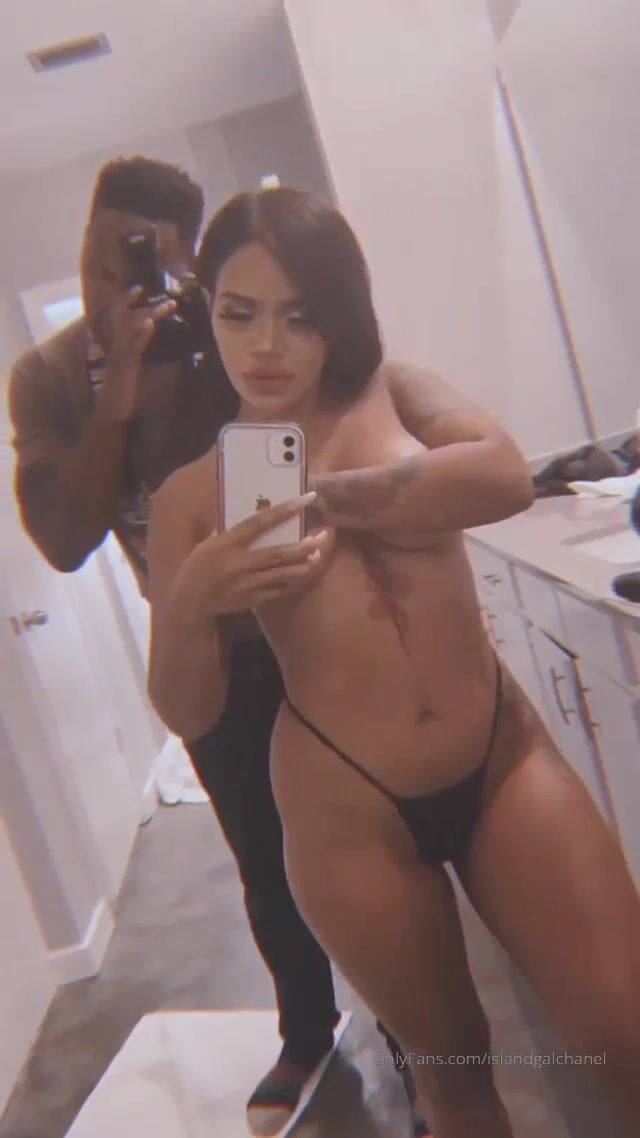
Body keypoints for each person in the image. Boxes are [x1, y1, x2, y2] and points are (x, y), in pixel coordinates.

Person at [147, 185, 640, 1138]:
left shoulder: (398, 391)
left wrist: (348, 493)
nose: (267, 345)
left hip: (498, 755)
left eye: (299, 316)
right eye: (240, 313)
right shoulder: (192, 496)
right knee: (454, 1076)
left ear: (338, 314)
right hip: (346, 807)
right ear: (209, 312)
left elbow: (503, 476)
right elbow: (189, 710)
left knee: (626, 1031)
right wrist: (194, 599)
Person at [7, 158, 429, 1137]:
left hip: (310, 623)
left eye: (151, 265)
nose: (119, 286)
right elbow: (63, 538)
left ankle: (415, 1027)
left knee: (367, 839)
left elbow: (316, 432)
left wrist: (210, 334)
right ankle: (306, 1028)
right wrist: (117, 398)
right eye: (102, 262)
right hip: (208, 651)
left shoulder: (229, 336)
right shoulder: (47, 378)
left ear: (190, 262)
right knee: (263, 857)